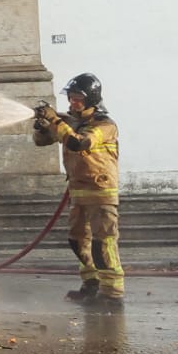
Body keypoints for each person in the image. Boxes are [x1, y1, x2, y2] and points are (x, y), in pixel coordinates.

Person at [33, 72, 123, 311]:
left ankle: (112, 293)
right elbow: (41, 142)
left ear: (91, 99)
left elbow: (78, 143)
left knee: (102, 244)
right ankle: (91, 284)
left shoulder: (104, 125)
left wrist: (55, 121)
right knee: (77, 241)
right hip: (78, 193)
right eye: (71, 98)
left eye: (77, 99)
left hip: (101, 193)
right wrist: (42, 127)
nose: (73, 102)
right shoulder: (71, 122)